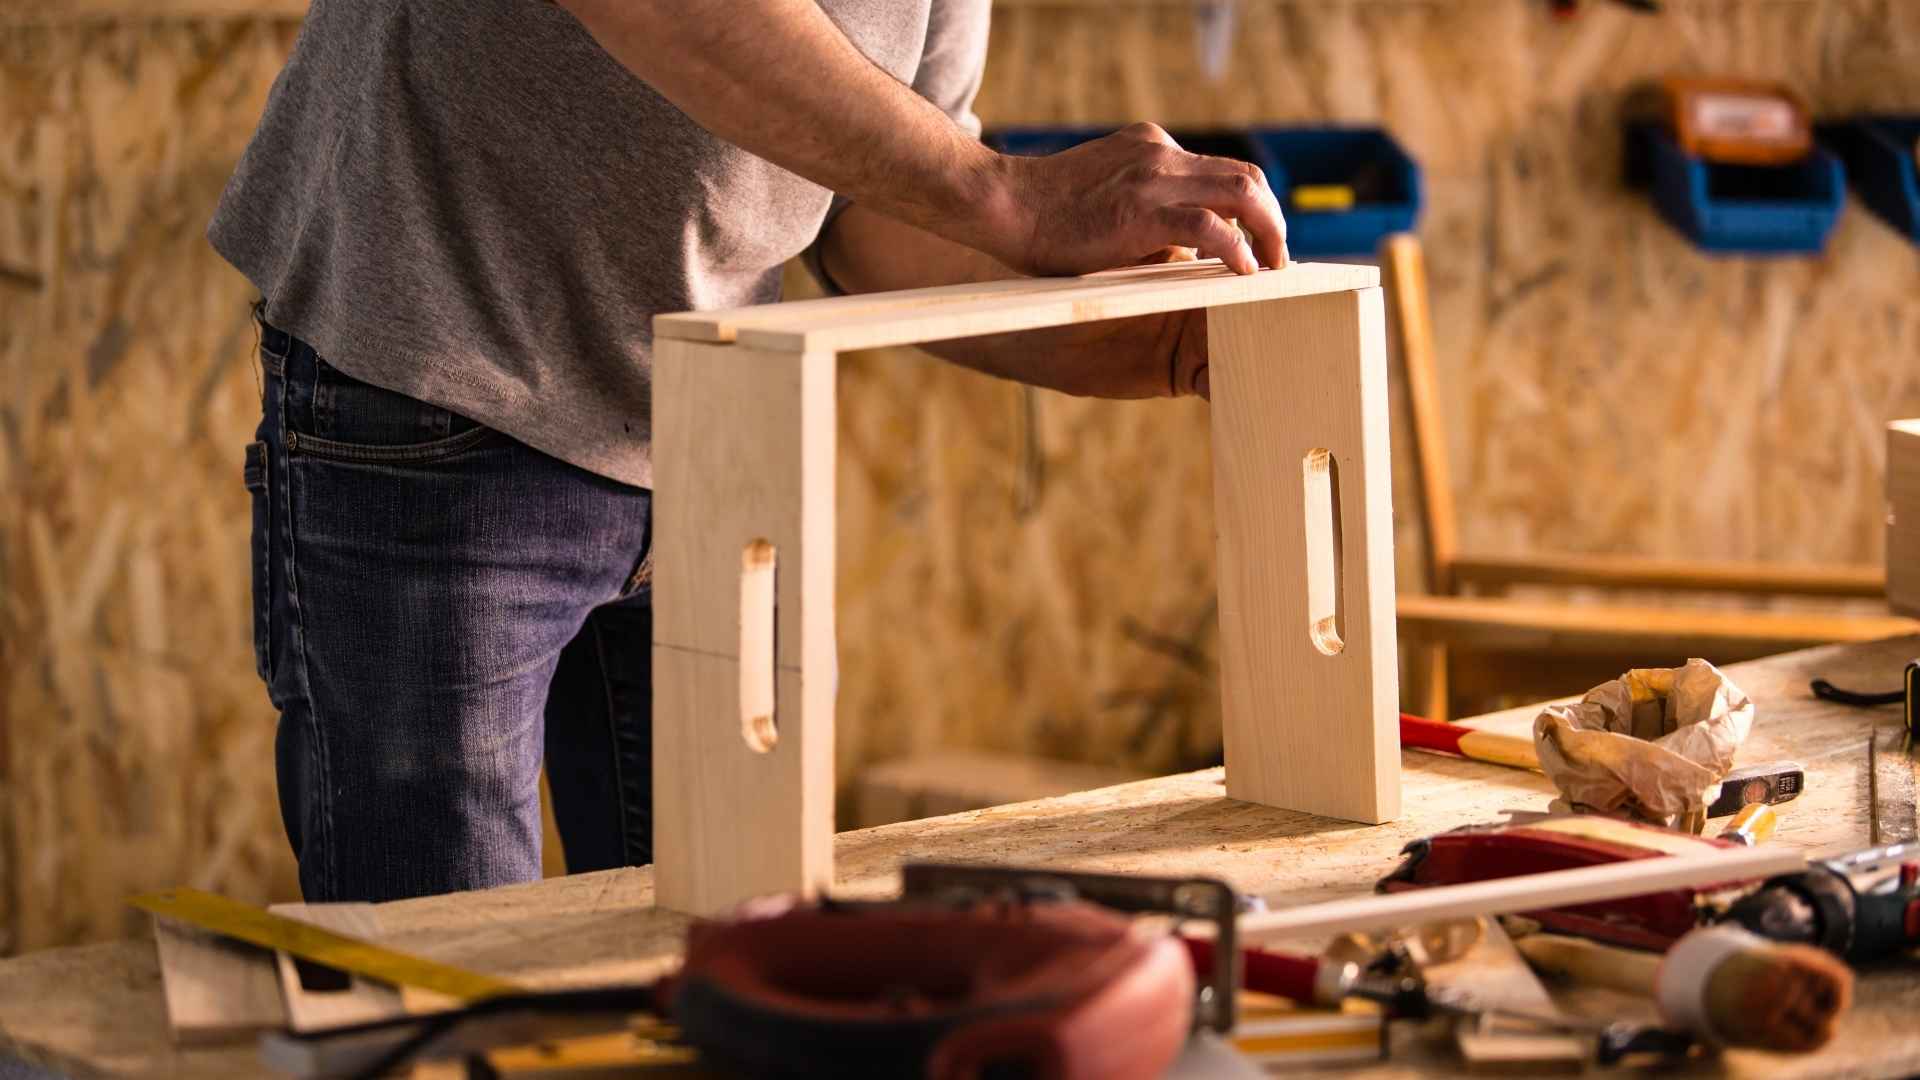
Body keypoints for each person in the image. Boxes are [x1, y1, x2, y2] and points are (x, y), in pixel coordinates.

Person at [214, 0, 1288, 903]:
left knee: (731, 940)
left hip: (714, 433)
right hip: (440, 379)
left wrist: (1139, 341)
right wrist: (1008, 195)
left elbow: (879, 204)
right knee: (444, 977)